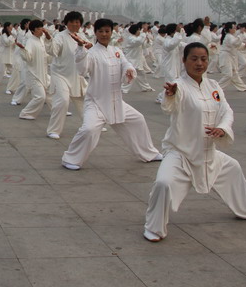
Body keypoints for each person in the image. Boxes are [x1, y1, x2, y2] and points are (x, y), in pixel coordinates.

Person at [144, 43, 246, 242]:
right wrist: (170, 95)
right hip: (181, 153)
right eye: (194, 59)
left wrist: (222, 128)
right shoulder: (179, 86)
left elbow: (226, 111)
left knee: (233, 168)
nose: (199, 63)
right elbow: (169, 106)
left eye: (203, 59)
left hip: (208, 152)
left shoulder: (213, 86)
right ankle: (154, 228)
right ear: (184, 60)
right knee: (163, 183)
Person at [61, 18, 163, 170]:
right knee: (89, 129)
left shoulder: (116, 51)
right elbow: (82, 70)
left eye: (107, 31)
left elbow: (125, 63)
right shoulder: (91, 53)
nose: (104, 34)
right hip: (96, 102)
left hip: (116, 101)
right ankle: (71, 159)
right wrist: (81, 48)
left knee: (138, 120)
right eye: (101, 31)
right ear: (95, 33)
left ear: (111, 32)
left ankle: (149, 153)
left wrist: (129, 70)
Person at [45, 11, 86, 139]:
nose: (75, 24)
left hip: (76, 75)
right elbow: (53, 51)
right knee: (62, 100)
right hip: (60, 74)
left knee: (83, 102)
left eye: (77, 22)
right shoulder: (60, 36)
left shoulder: (82, 36)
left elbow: (89, 52)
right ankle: (54, 130)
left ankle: (91, 125)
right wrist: (48, 39)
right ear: (66, 23)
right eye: (72, 22)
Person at [17, 20, 51, 121]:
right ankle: (25, 113)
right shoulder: (30, 41)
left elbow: (47, 56)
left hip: (43, 73)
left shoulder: (41, 40)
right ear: (33, 30)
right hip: (34, 74)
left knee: (51, 92)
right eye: (39, 28)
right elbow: (28, 57)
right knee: (40, 96)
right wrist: (23, 50)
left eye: (42, 28)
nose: (41, 30)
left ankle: (58, 110)